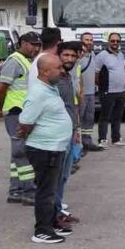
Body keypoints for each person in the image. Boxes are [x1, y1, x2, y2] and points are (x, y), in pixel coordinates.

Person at [17, 54, 73, 245]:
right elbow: (25, 122)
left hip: (54, 148)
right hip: (44, 149)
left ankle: (51, 223)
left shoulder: (51, 88)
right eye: (58, 68)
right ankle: (42, 230)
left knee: (52, 189)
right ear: (45, 71)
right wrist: (33, 132)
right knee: (45, 192)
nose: (62, 70)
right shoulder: (38, 93)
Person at [0, 31, 41, 204]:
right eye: (32, 44)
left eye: (37, 45)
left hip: (24, 111)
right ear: (22, 43)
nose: (35, 48)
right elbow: (1, 87)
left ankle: (15, 190)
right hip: (15, 111)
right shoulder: (15, 60)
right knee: (22, 152)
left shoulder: (28, 61)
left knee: (17, 153)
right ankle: (29, 191)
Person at [51, 42, 82, 231]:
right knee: (55, 177)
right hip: (57, 135)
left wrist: (76, 129)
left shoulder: (68, 76)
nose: (70, 59)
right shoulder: (54, 78)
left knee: (63, 176)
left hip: (70, 132)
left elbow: (72, 106)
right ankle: (52, 217)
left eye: (73, 56)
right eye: (66, 55)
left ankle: (58, 210)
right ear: (58, 55)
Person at [76, 32, 101, 152]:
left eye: (91, 40)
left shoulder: (93, 54)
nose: (89, 42)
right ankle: (77, 144)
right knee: (78, 120)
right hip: (80, 94)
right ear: (82, 41)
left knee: (89, 119)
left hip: (91, 93)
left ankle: (87, 141)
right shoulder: (77, 56)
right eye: (87, 39)